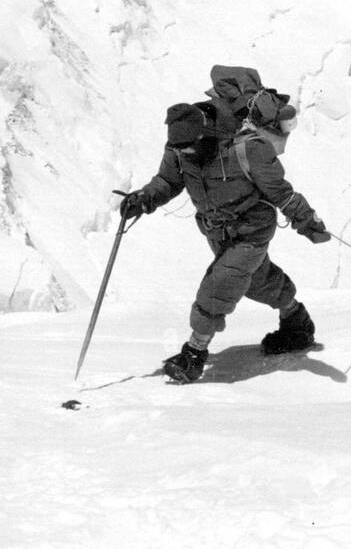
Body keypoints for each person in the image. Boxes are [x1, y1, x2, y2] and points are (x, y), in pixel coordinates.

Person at [122, 83, 329, 383]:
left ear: (204, 135)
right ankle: (296, 322)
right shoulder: (180, 146)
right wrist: (143, 199)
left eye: (188, 148)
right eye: (178, 149)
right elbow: (167, 181)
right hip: (217, 232)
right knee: (257, 282)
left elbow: (280, 192)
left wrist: (307, 221)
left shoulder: (246, 148)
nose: (183, 154)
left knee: (217, 286)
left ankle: (194, 353)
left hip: (252, 230)